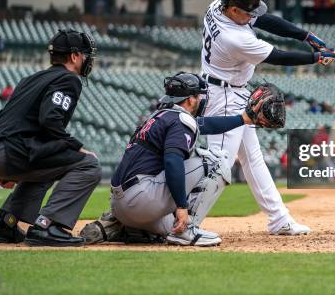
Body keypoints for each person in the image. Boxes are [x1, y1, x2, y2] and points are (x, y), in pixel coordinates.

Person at [199, 0, 335, 235]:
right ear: (232, 10)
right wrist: (316, 58)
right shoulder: (235, 38)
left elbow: (266, 21)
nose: (253, 16)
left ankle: (279, 220)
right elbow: (279, 56)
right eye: (248, 12)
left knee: (253, 159)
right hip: (224, 97)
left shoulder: (217, 6)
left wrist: (305, 36)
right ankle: (187, 223)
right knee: (219, 165)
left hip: (231, 90)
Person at [81, 72, 269, 247]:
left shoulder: (161, 116)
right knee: (216, 162)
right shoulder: (180, 119)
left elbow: (207, 125)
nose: (201, 100)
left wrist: (243, 119)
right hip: (141, 199)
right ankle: (186, 231)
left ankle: (121, 226)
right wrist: (181, 206)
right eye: (198, 96)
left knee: (170, 227)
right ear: (189, 99)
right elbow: (172, 162)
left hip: (121, 204)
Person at [0, 29, 100, 247]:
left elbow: (4, 119)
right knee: (89, 165)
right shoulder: (68, 79)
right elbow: (50, 120)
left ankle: (6, 224)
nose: (87, 60)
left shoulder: (31, 79)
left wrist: (0, 159)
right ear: (74, 56)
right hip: (10, 152)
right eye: (85, 55)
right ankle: (48, 226)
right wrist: (78, 147)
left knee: (48, 165)